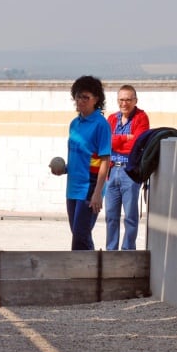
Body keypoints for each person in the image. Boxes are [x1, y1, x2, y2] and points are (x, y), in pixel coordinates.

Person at [51, 75, 111, 251]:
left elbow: (105, 160)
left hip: (90, 187)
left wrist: (98, 192)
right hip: (73, 187)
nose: (80, 100)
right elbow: (82, 156)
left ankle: (80, 274)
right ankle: (91, 272)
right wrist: (64, 169)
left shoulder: (101, 125)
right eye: (78, 96)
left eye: (86, 97)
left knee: (80, 236)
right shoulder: (74, 124)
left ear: (96, 100)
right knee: (79, 235)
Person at [105, 85, 150, 250]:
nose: (124, 103)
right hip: (112, 170)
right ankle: (111, 250)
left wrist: (115, 140)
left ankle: (128, 250)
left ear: (135, 101)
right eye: (121, 100)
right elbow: (104, 143)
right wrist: (124, 138)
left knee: (130, 216)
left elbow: (136, 145)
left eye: (128, 100)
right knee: (111, 215)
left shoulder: (141, 118)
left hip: (129, 172)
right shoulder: (111, 119)